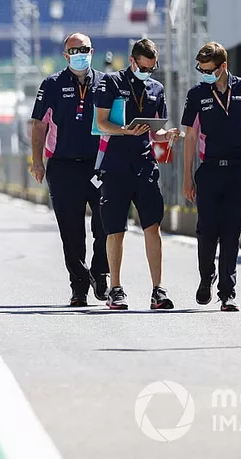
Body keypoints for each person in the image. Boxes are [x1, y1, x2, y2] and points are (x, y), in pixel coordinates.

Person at [182, 42, 241, 312]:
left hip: (239, 170)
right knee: (207, 230)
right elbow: (190, 136)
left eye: (209, 69)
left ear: (223, 67)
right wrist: (188, 177)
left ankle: (227, 292)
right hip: (209, 170)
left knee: (231, 233)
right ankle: (205, 276)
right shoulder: (197, 94)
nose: (204, 73)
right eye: (201, 69)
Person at [94, 38, 179, 311]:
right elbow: (102, 122)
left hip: (144, 164)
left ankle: (158, 289)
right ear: (132, 61)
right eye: (143, 67)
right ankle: (115, 288)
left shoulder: (157, 88)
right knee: (116, 229)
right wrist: (126, 131)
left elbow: (156, 130)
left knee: (152, 226)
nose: (148, 73)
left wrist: (169, 135)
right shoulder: (110, 82)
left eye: (152, 68)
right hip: (116, 164)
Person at [30, 32, 110, 306]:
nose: (80, 53)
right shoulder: (51, 84)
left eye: (84, 49)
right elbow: (39, 124)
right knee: (71, 230)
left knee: (105, 224)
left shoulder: (105, 82)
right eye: (74, 50)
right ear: (65, 55)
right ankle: (79, 286)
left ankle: (101, 273)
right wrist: (37, 161)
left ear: (92, 50)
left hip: (99, 166)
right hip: (63, 167)